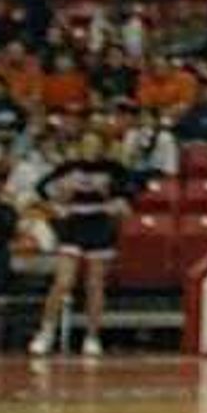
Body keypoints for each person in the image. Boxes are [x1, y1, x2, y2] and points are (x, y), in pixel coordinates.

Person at [27, 131, 131, 358]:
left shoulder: (112, 169)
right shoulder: (69, 167)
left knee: (95, 284)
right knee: (63, 282)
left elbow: (127, 193)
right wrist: (57, 202)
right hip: (73, 224)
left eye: (94, 143)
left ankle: (92, 337)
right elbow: (42, 188)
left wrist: (110, 196)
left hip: (99, 225)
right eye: (86, 143)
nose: (90, 148)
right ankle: (45, 333)